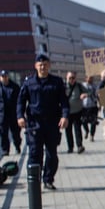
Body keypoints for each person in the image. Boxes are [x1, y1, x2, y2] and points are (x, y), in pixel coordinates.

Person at [16, 54, 69, 190]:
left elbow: (64, 101)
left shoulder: (56, 82)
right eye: (40, 64)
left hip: (51, 123)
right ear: (35, 66)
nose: (42, 67)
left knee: (52, 154)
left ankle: (48, 179)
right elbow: (21, 102)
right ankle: (34, 181)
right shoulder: (29, 82)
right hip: (34, 123)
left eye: (45, 64)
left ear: (49, 65)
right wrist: (20, 116)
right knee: (35, 153)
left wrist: (64, 116)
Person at [64, 71, 88, 154]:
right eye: (70, 78)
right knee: (68, 130)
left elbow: (89, 92)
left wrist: (85, 94)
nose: (71, 79)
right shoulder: (63, 86)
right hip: (67, 112)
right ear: (66, 78)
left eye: (73, 78)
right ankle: (70, 147)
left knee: (78, 129)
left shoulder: (79, 86)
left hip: (77, 111)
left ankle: (79, 146)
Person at [1, 70, 22, 156]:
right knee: (3, 133)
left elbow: (20, 101)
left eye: (5, 76)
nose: (4, 78)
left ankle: (17, 146)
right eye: (2, 77)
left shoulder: (15, 87)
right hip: (2, 115)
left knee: (15, 132)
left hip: (13, 114)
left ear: (8, 77)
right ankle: (5, 150)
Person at [80, 75, 99, 142]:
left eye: (91, 78)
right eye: (89, 78)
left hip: (93, 106)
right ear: (86, 78)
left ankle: (92, 135)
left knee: (93, 122)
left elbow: (97, 95)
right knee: (83, 121)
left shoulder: (95, 86)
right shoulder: (82, 85)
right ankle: (87, 131)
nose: (90, 79)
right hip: (84, 107)